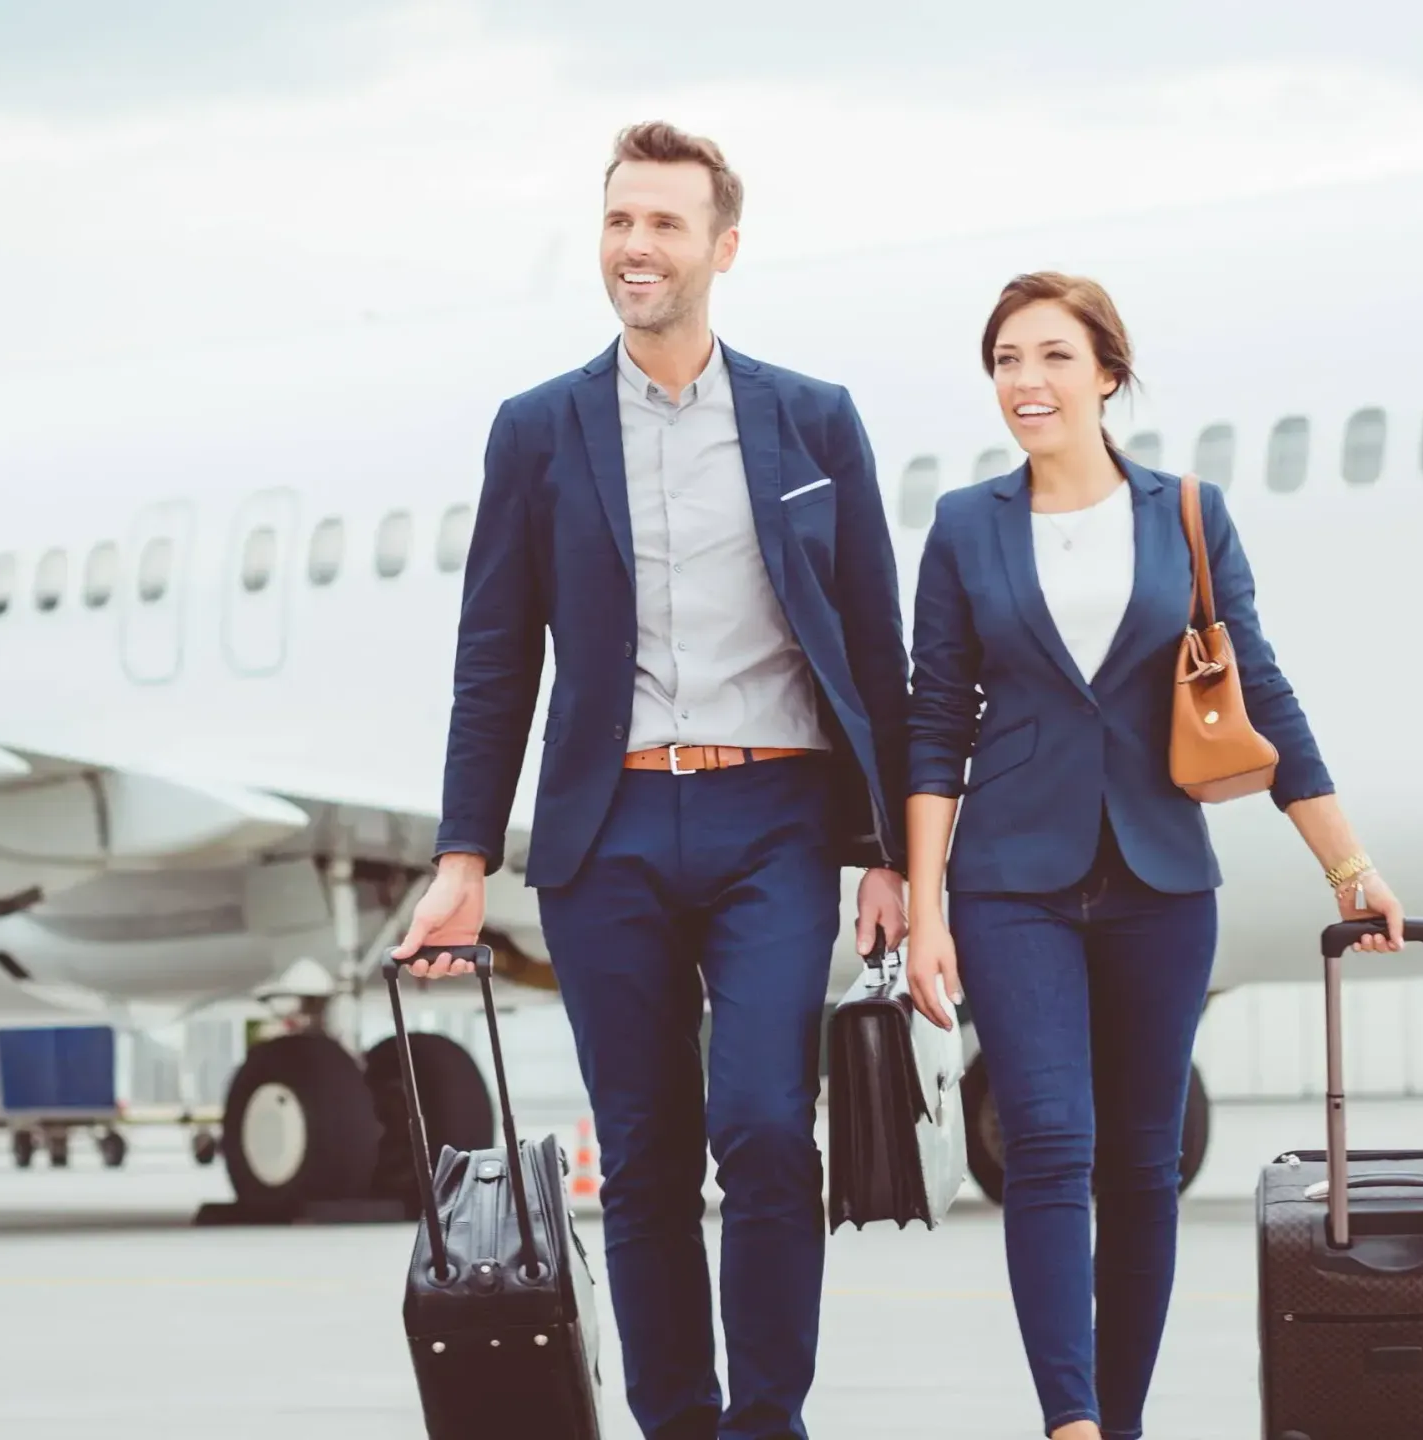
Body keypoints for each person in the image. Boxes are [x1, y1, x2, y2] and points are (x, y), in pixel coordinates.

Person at [391, 120, 911, 1440]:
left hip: (774, 819)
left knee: (765, 1126)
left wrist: (895, 855)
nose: (637, 245)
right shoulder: (538, 431)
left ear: (723, 248)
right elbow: (495, 659)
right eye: (620, 219)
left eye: (666, 223)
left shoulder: (812, 420)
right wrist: (462, 859)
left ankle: (768, 1422)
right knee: (643, 1154)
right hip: (607, 827)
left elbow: (875, 645)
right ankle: (677, 1422)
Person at [901, 271, 1406, 1440]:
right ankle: (1070, 1422)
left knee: (1139, 1164)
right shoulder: (967, 527)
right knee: (1046, 1142)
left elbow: (1258, 688)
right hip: (1010, 881)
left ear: (1108, 375)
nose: (1027, 381)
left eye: (1053, 356)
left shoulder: (1186, 514)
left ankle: (1117, 1423)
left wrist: (1349, 867)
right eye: (1007, 360)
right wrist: (926, 911)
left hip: (1162, 880)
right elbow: (933, 726)